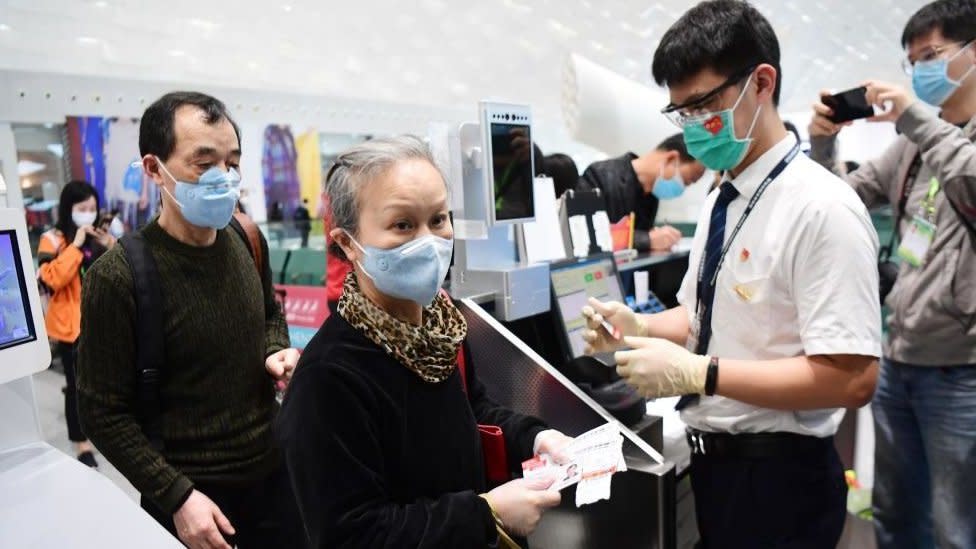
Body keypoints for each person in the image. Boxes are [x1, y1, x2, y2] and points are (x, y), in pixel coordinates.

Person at [582, 1, 882, 547]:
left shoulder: (821, 208)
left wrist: (702, 375)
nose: (693, 126)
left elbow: (853, 378)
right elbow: (705, 315)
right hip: (719, 468)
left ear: (761, 82)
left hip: (780, 478)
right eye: (681, 112)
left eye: (703, 105)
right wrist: (641, 328)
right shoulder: (727, 196)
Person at [277, 136, 573, 548]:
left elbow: (472, 410)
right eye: (403, 225)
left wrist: (537, 438)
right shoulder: (329, 378)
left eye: (438, 219)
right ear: (347, 243)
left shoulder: (440, 324)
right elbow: (350, 533)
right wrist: (485, 514)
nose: (429, 241)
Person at [76, 91, 303, 549]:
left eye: (231, 162)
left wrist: (274, 349)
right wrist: (177, 496)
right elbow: (102, 413)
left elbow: (269, 313)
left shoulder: (245, 236)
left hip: (275, 475)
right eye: (203, 163)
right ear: (153, 169)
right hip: (192, 499)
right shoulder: (118, 278)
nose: (223, 178)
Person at [808, 1, 976, 546]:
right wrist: (825, 142)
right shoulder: (912, 144)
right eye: (913, 62)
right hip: (899, 359)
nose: (921, 71)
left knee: (958, 528)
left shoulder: (928, 134)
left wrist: (913, 115)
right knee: (895, 515)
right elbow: (842, 201)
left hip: (963, 372)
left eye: (932, 56)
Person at [37, 180, 115, 469]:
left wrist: (111, 245)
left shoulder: (100, 235)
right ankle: (80, 441)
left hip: (101, 324)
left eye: (93, 208)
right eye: (82, 208)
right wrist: (77, 245)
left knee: (105, 384)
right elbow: (53, 279)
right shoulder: (53, 240)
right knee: (77, 387)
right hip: (70, 327)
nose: (89, 213)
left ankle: (102, 432)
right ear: (68, 209)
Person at [577, 133, 706, 252]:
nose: (683, 188)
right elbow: (585, 235)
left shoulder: (651, 196)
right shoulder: (599, 176)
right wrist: (647, 239)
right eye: (687, 181)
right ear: (671, 159)